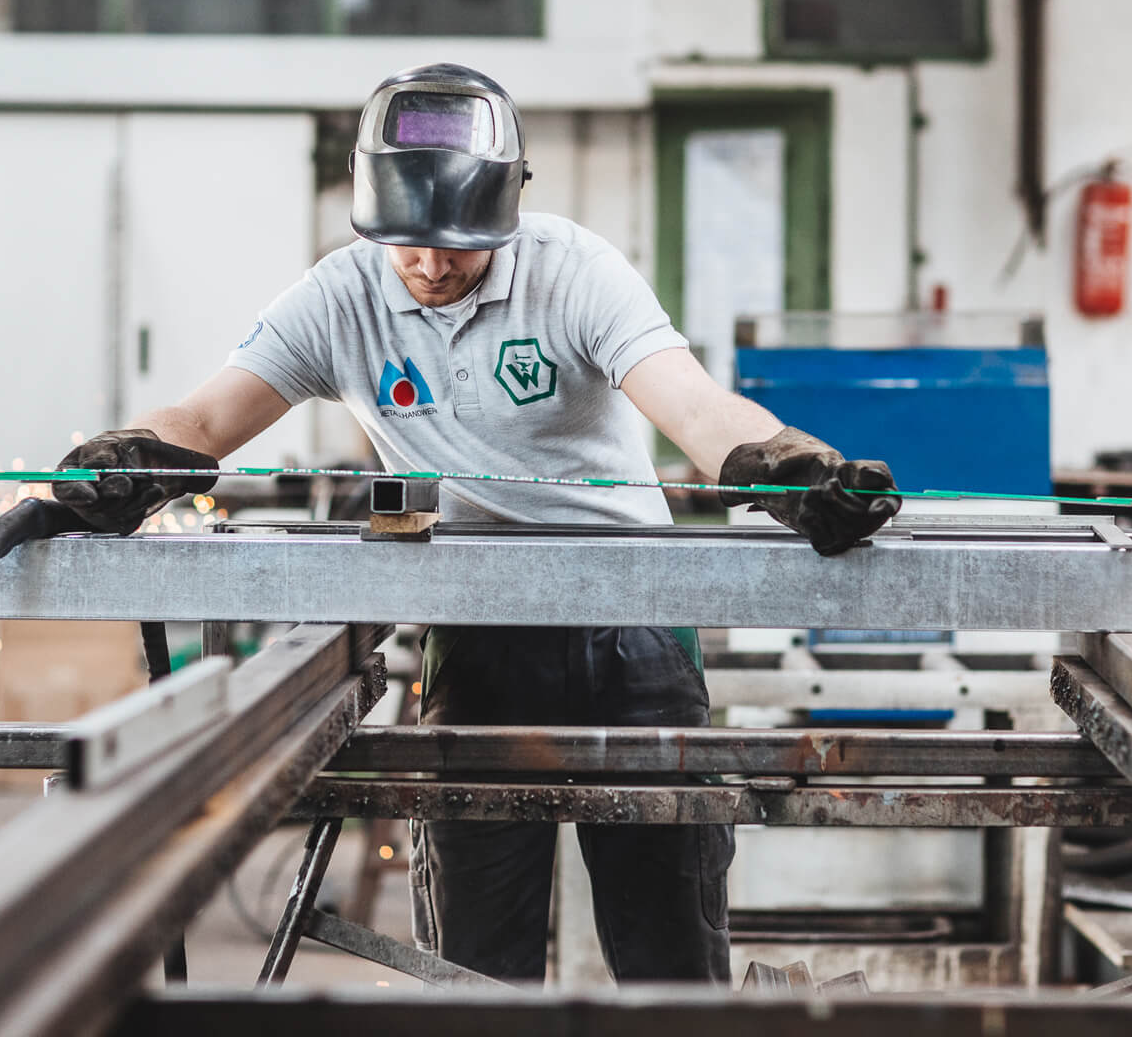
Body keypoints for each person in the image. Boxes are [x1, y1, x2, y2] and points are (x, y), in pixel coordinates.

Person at [50, 63, 899, 983]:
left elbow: (692, 408)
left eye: (455, 246)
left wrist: (788, 467)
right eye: (407, 245)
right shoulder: (340, 299)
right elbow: (206, 418)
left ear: (507, 209)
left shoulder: (573, 271)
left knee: (669, 953)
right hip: (480, 634)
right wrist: (131, 456)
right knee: (478, 963)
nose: (429, 266)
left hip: (636, 633)